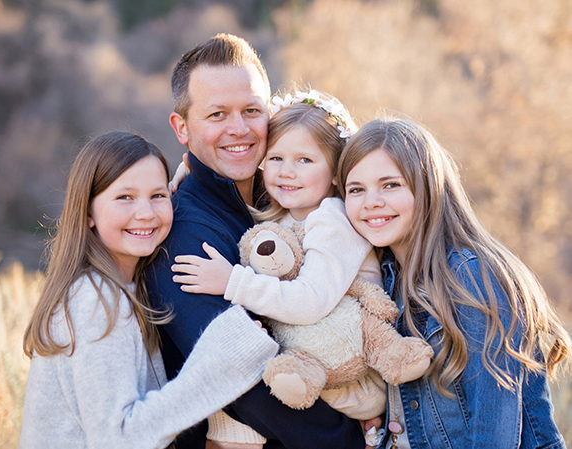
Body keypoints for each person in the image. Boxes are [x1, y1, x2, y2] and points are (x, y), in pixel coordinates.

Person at [171, 89, 431, 447]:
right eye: (275, 158)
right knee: (229, 415)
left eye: (305, 160)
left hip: (351, 370)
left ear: (337, 171)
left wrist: (233, 281)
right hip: (314, 361)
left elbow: (309, 301)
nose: (287, 173)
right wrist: (187, 172)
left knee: (234, 409)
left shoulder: (333, 219)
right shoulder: (287, 210)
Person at [145, 34, 368, 448]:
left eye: (252, 110)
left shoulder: (286, 195)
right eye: (217, 115)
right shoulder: (183, 235)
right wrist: (351, 441)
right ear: (182, 127)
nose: (239, 129)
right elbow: (244, 377)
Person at [19, 131, 279, 449]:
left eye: (157, 196)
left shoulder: (125, 285)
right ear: (88, 212)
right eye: (124, 197)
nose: (145, 213)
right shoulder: (96, 300)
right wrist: (220, 361)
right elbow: (119, 439)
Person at [336, 117, 571, 448]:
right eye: (356, 189)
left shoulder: (472, 277)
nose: (371, 201)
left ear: (427, 186)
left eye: (391, 185)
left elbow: (494, 433)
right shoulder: (385, 280)